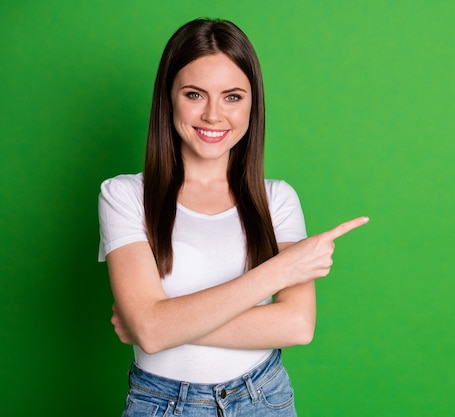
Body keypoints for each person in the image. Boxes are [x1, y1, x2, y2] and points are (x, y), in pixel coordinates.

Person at [97, 18, 368, 417]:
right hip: (162, 403)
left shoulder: (277, 200)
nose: (212, 114)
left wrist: (166, 324)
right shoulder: (124, 195)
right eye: (194, 94)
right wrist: (279, 272)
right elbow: (151, 332)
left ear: (251, 104)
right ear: (168, 98)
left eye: (232, 97)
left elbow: (296, 325)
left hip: (263, 397)